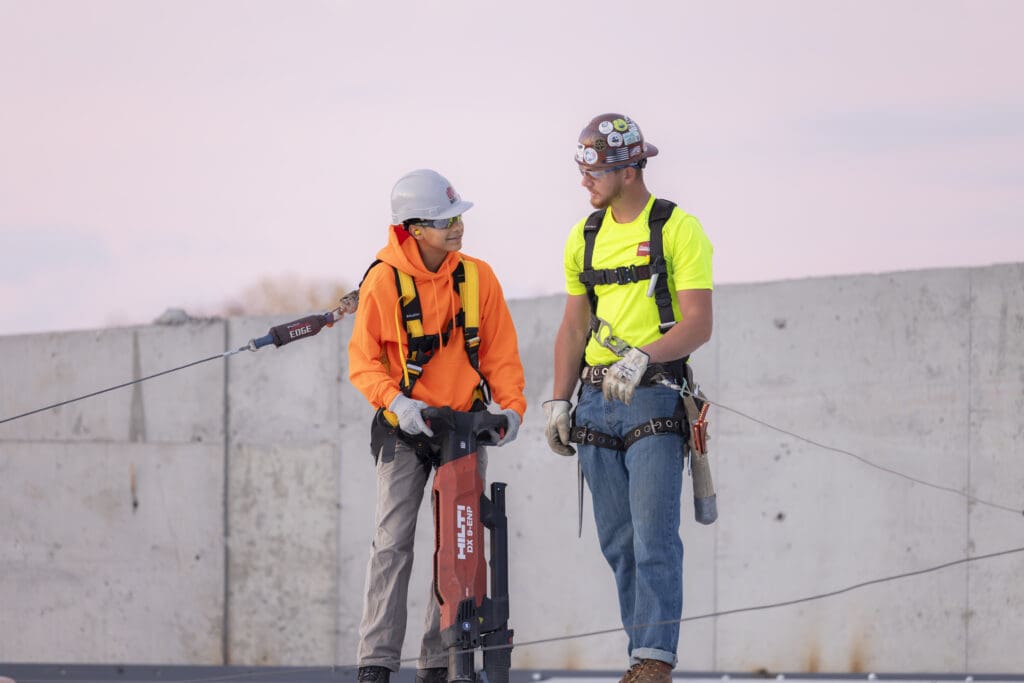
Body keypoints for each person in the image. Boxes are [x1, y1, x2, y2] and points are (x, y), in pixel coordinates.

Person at [544, 114, 713, 683]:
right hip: (595, 402)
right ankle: (639, 654)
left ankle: (653, 662)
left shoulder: (677, 229)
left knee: (654, 538)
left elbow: (698, 323)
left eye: (593, 170)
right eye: (583, 169)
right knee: (618, 542)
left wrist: (644, 355)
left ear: (628, 168)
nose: (585, 182)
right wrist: (558, 401)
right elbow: (573, 327)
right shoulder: (583, 236)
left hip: (653, 398)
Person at [348, 169, 527, 683]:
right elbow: (363, 363)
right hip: (406, 429)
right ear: (413, 228)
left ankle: (438, 661)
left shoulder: (477, 278)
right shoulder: (383, 280)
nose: (457, 228)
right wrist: (397, 403)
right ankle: (376, 663)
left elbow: (500, 353)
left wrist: (511, 408)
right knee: (392, 543)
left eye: (457, 218)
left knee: (457, 547)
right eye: (445, 221)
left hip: (464, 430)